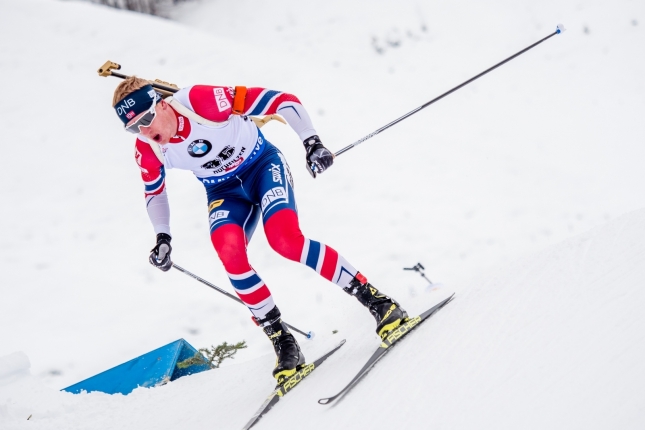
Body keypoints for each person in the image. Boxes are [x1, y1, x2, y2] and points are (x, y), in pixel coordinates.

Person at [112, 76, 408, 382]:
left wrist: (311, 142)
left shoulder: (202, 101)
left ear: (161, 105)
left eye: (147, 119)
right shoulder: (147, 148)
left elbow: (283, 99)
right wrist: (163, 236)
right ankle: (283, 342)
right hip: (223, 191)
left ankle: (378, 302)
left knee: (286, 241)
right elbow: (154, 192)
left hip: (262, 166)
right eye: (134, 128)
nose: (145, 131)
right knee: (230, 255)